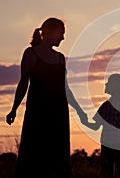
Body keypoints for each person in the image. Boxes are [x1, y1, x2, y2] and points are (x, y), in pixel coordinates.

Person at [6, 17, 88, 178]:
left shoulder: (60, 58)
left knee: (58, 158)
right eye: (61, 33)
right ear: (49, 31)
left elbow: (65, 88)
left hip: (59, 115)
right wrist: (14, 109)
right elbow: (23, 83)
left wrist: (79, 110)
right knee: (34, 156)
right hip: (37, 113)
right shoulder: (31, 54)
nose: (63, 38)